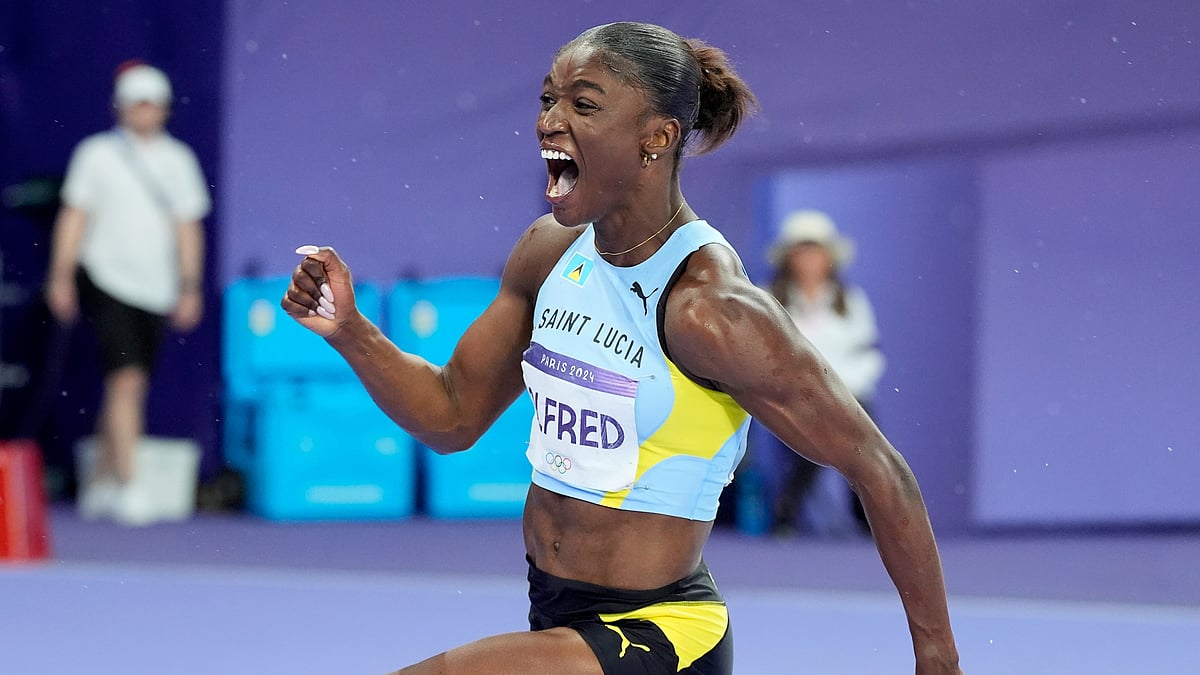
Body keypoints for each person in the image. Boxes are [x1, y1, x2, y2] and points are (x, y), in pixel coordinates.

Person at [283, 22, 961, 674]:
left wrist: (939, 658)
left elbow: (879, 468)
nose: (550, 121)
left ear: (656, 138)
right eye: (547, 99)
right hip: (555, 612)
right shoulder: (549, 252)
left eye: (583, 105)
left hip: (659, 633)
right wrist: (351, 330)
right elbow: (452, 414)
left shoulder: (710, 310)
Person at [45, 61, 210, 526]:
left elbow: (187, 227)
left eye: (153, 104)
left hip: (156, 288)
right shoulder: (96, 154)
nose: (145, 111)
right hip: (105, 280)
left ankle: (100, 479)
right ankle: (129, 483)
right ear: (120, 106)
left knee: (128, 385)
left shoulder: (179, 160)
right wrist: (60, 276)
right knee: (127, 381)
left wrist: (189, 286)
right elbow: (74, 217)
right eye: (137, 103)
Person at [763, 209, 886, 538]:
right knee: (819, 436)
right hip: (793, 397)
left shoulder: (850, 300)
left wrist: (844, 389)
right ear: (788, 258)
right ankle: (787, 514)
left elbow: (867, 352)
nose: (809, 261)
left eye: (815, 252)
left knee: (864, 444)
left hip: (849, 394)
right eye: (801, 252)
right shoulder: (769, 299)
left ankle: (864, 515)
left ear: (829, 257)